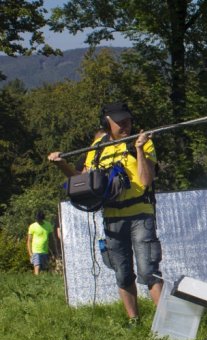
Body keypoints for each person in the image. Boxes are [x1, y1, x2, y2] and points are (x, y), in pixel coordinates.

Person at [48, 102, 163, 325]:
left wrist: (139, 149)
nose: (125, 125)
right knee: (122, 273)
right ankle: (134, 322)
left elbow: (146, 180)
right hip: (111, 217)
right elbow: (82, 182)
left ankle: (166, 323)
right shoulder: (97, 147)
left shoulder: (142, 143)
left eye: (127, 120)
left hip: (141, 215)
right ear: (106, 123)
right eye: (119, 121)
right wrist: (61, 165)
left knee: (149, 271)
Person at [27, 210, 55, 275]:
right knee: (37, 267)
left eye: (39, 219)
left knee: (44, 269)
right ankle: (37, 281)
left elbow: (52, 239)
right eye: (37, 219)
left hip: (45, 251)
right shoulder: (32, 226)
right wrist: (30, 253)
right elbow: (29, 241)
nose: (38, 220)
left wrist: (53, 250)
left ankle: (41, 283)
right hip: (36, 251)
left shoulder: (48, 225)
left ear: (43, 218)